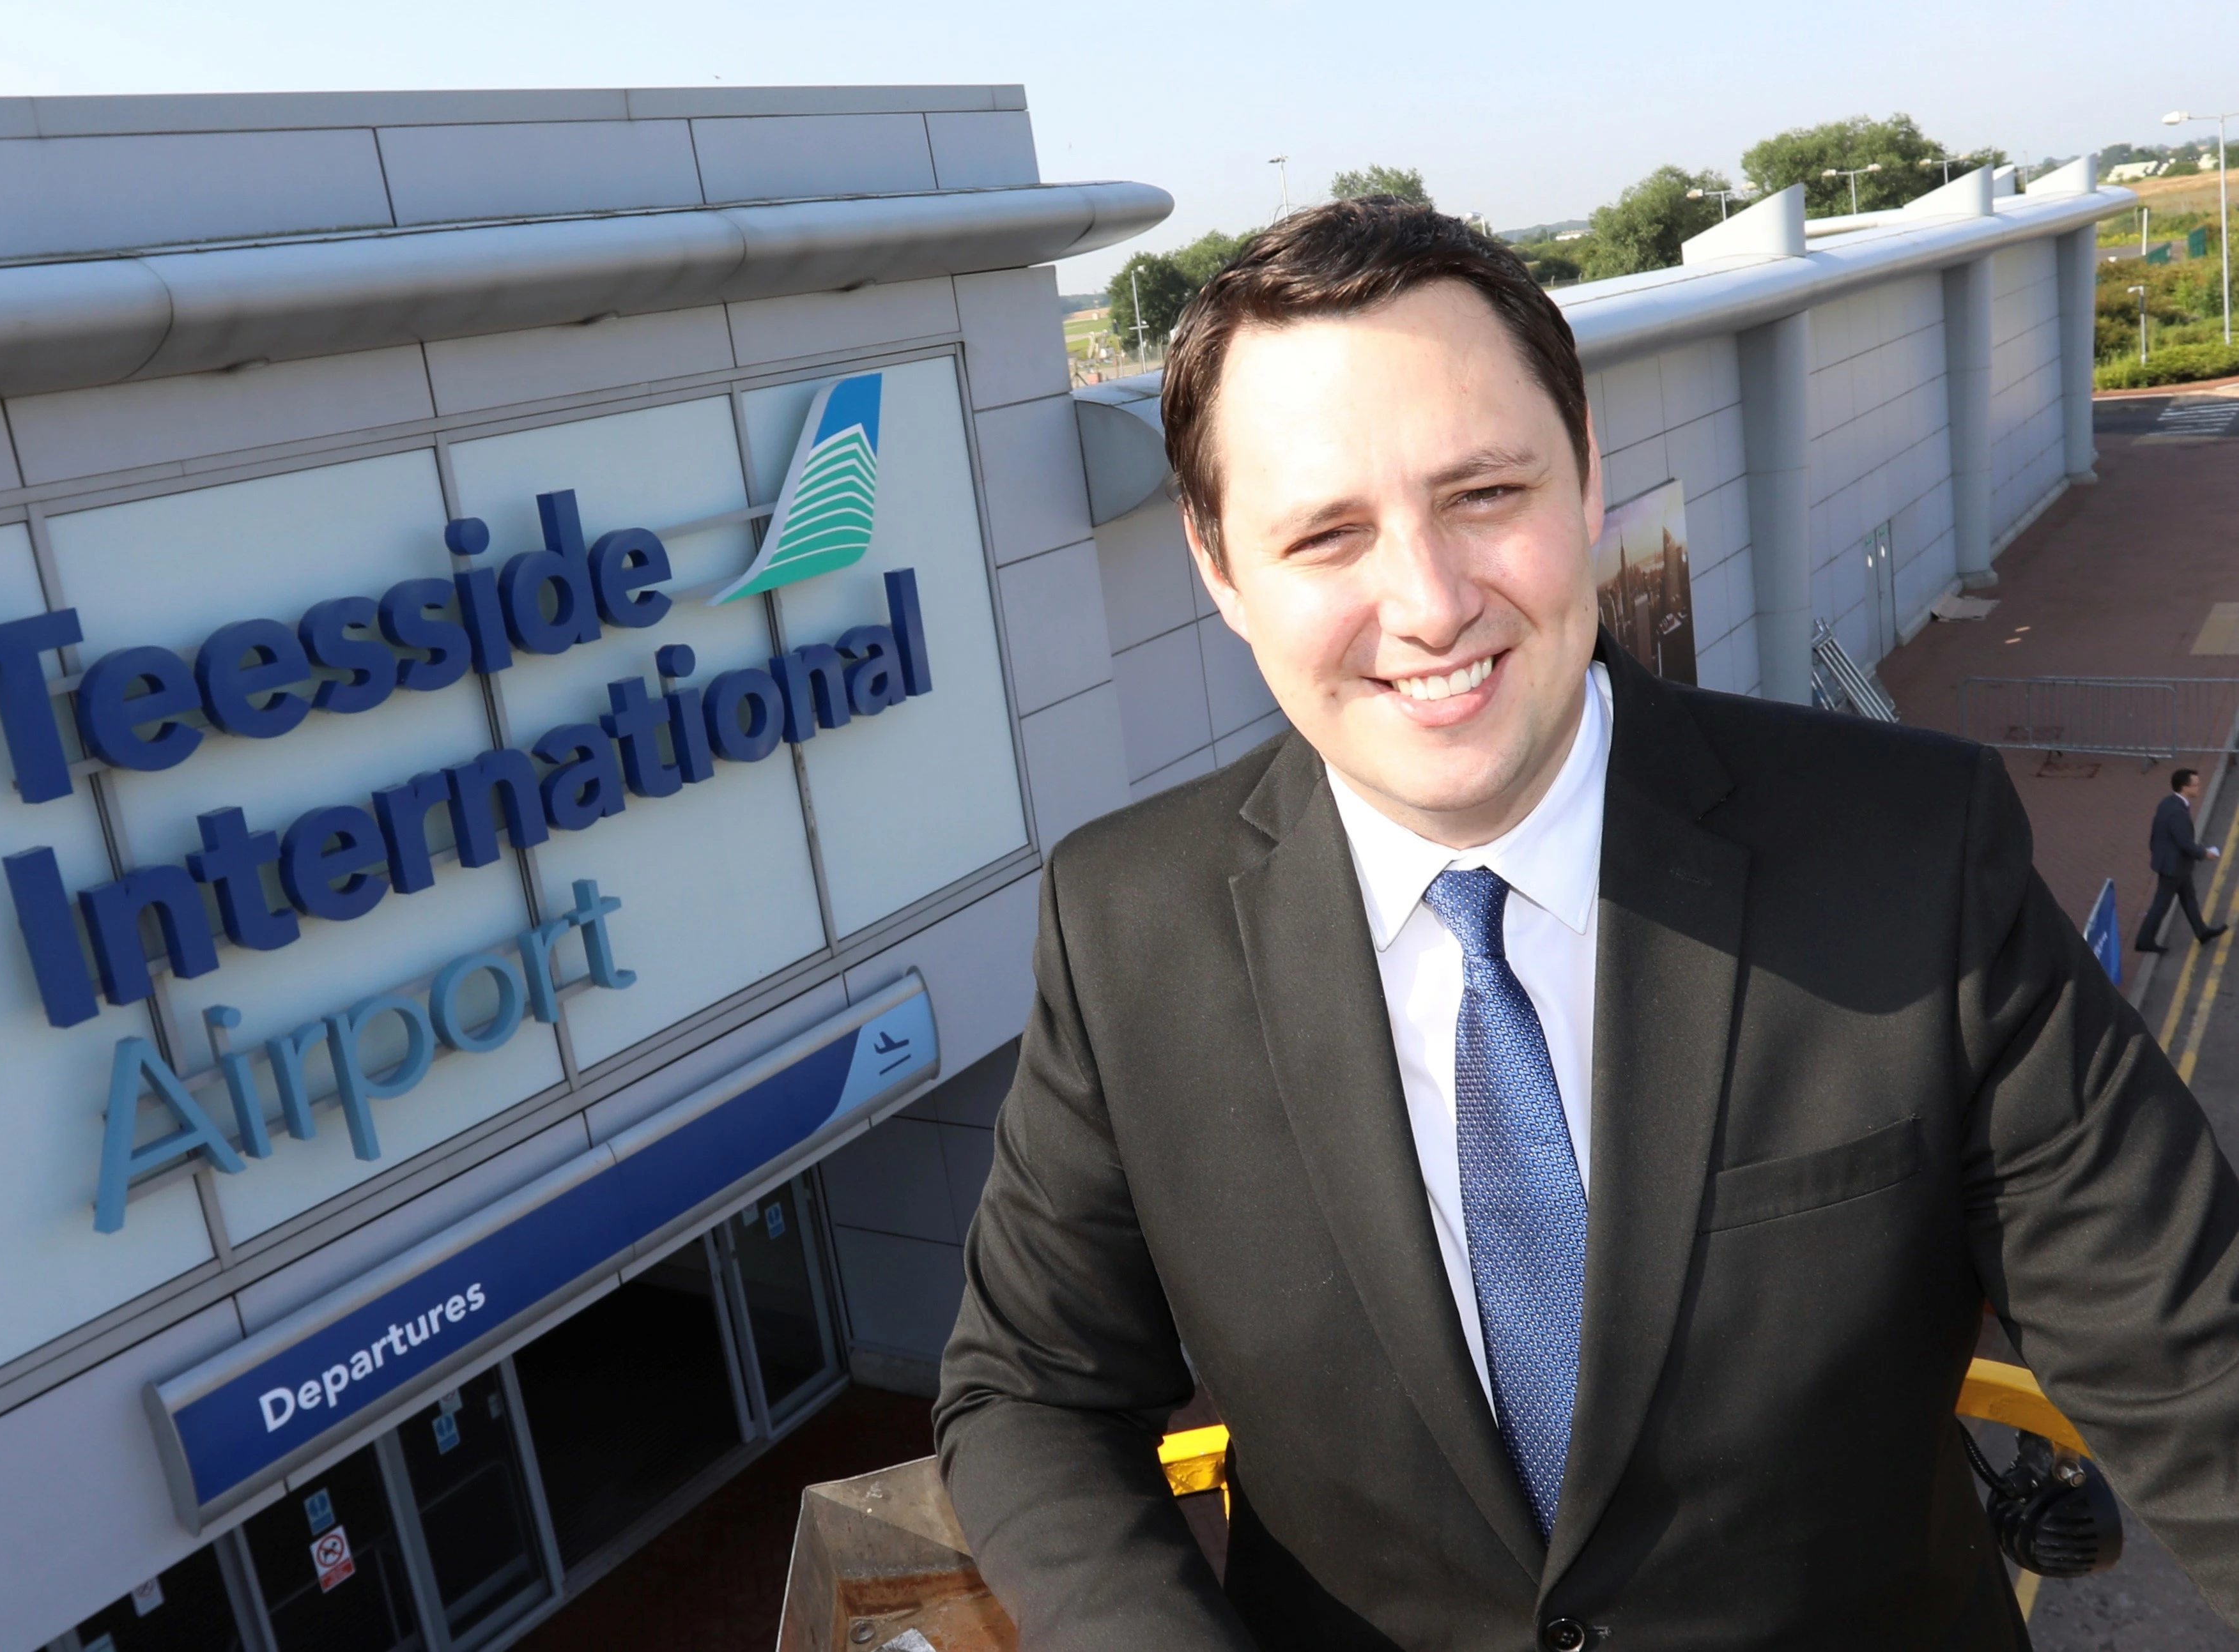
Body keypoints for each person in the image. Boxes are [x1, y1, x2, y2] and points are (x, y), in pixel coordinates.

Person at [933, 199, 2239, 1650]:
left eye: (1482, 493)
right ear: (1219, 567)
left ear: (1584, 476)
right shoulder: (1127, 928)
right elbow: (1026, 1391)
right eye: (1324, 533)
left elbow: (2193, 1357)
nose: (1426, 604)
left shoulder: (1904, 853)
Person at [2134, 765, 2226, 953]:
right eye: (2196, 785)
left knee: (2189, 899)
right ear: (2185, 788)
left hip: (2176, 864)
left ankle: (2202, 932)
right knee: (2161, 905)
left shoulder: (2168, 803)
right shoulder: (2177, 812)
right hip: (2173, 867)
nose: (2199, 787)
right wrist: (2204, 854)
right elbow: (2184, 843)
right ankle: (2144, 941)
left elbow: (2158, 835)